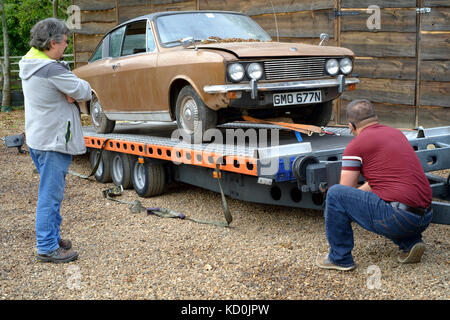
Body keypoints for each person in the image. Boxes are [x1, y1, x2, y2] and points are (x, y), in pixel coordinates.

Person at [316, 99, 433, 271]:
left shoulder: (356, 145)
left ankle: (339, 258)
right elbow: (376, 183)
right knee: (388, 199)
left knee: (334, 193)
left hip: (400, 218)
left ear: (351, 125)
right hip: (425, 216)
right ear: (375, 118)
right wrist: (358, 196)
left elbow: (344, 191)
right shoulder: (396, 134)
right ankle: (411, 242)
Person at [19, 18, 92, 263]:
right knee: (50, 196)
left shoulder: (30, 62)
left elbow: (69, 92)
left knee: (50, 193)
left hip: (38, 139)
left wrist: (67, 92)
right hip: (53, 141)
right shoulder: (52, 69)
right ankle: (47, 246)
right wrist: (71, 92)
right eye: (64, 43)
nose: (66, 48)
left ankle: (52, 235)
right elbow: (83, 91)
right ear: (52, 43)